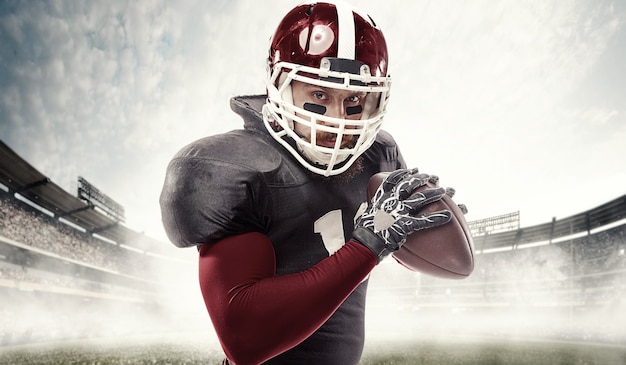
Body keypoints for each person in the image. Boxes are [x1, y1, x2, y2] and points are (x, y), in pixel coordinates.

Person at [160, 1, 454, 364]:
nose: (336, 119)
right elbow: (244, 337)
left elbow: (403, 247)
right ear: (280, 87)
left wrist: (424, 222)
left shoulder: (379, 155)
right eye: (319, 95)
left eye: (354, 100)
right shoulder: (242, 168)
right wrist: (366, 247)